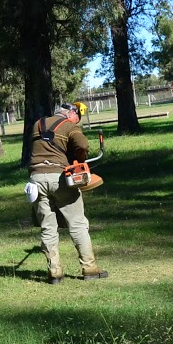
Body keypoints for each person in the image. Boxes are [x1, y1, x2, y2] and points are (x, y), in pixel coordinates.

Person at [26, 102, 108, 284]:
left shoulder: (37, 124)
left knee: (48, 227)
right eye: (76, 117)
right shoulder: (70, 126)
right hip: (60, 178)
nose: (77, 120)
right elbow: (82, 144)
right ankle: (90, 268)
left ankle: (54, 273)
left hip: (36, 179)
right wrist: (79, 161)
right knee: (78, 224)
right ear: (70, 113)